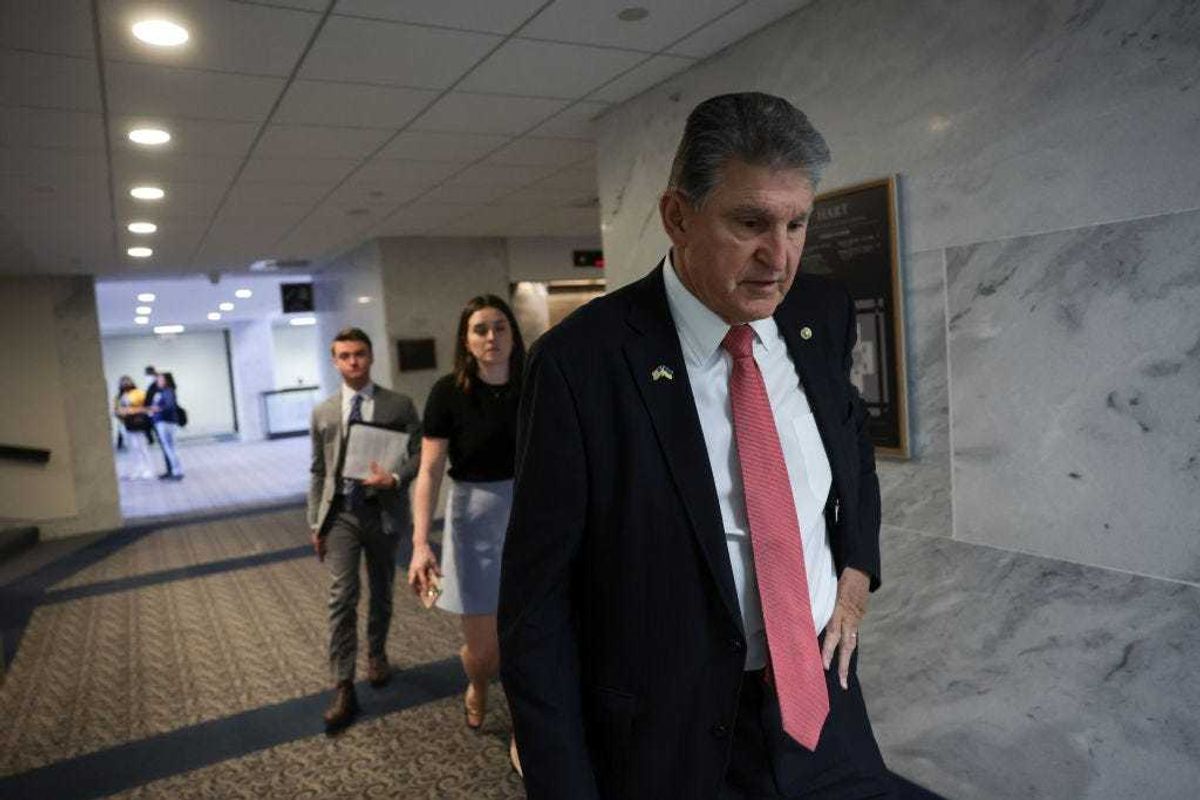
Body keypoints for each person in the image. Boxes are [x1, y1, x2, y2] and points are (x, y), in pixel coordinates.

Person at [498, 92, 892, 799]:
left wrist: (858, 566)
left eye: (797, 223)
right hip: (669, 735)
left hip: (822, 701)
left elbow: (850, 446)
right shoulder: (581, 364)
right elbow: (538, 607)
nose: (780, 257)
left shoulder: (819, 315)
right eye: (751, 223)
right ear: (677, 216)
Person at [407, 295, 526, 772]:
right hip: (472, 517)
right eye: (480, 329)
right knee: (485, 650)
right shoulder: (447, 392)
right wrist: (419, 542)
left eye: (500, 327)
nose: (491, 337)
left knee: (532, 637)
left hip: (531, 513)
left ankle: (526, 727)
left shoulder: (533, 382)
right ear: (466, 339)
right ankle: (477, 683)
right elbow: (430, 472)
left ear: (514, 334)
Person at [308, 327, 421, 732]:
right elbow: (318, 471)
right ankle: (343, 684)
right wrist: (314, 523)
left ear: (370, 357)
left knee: (382, 590)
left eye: (359, 354)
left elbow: (419, 452)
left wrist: (394, 478)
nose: (353, 361)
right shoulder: (323, 411)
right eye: (344, 356)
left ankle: (376, 654)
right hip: (340, 514)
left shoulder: (399, 404)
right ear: (335, 361)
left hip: (383, 512)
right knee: (342, 595)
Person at [114, 375, 154, 479]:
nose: (125, 384)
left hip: (139, 424)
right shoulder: (119, 397)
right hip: (125, 425)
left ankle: (148, 469)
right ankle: (137, 469)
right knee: (132, 449)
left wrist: (132, 411)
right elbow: (116, 410)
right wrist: (120, 412)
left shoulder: (139, 393)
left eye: (127, 382)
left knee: (142, 447)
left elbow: (148, 408)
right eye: (123, 382)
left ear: (132, 382)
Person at [150, 371, 184, 481]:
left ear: (167, 380)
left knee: (171, 448)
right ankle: (174, 471)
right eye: (158, 379)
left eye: (160, 379)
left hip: (166, 422)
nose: (158, 381)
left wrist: (157, 409)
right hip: (162, 422)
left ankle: (177, 472)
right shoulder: (163, 391)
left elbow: (169, 406)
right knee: (170, 448)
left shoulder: (168, 391)